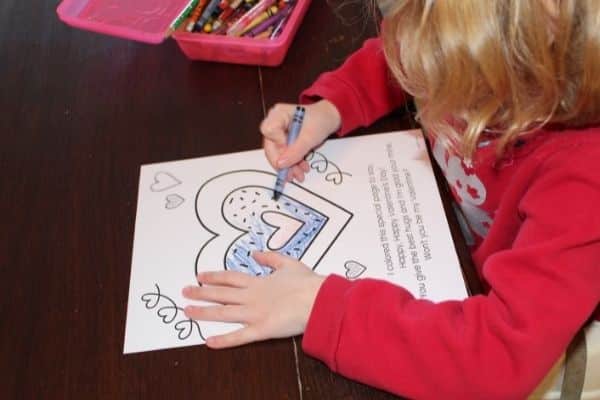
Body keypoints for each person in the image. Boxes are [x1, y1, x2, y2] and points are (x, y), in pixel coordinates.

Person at [182, 1, 600, 398]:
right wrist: (332, 108)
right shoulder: (473, 49)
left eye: (460, 82)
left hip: (547, 318)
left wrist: (318, 306)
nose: (427, 73)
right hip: (456, 239)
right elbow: (403, 54)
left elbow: (498, 360)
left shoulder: (585, 180)